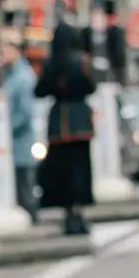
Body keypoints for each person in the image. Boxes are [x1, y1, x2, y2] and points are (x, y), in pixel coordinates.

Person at [35, 22, 97, 236]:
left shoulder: (51, 63)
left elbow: (39, 90)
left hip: (58, 122)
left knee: (62, 171)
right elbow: (92, 86)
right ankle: (78, 212)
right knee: (80, 169)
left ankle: (67, 213)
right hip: (80, 121)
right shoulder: (81, 62)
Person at [0, 27, 38, 224]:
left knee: (24, 191)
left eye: (5, 49)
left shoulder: (22, 77)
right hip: (12, 148)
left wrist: (5, 131)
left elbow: (25, 113)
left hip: (20, 147)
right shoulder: (7, 75)